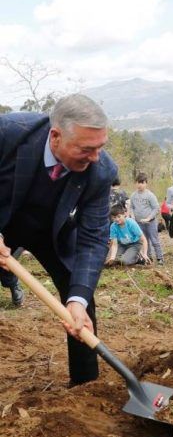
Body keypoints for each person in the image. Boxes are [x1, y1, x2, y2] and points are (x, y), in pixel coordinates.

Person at [0, 94, 117, 386]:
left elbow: (93, 238)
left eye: (100, 147)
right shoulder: (8, 135)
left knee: (79, 294)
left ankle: (85, 386)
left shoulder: (100, 171)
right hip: (5, 217)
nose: (95, 158)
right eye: (86, 149)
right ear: (56, 136)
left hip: (52, 230)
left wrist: (77, 300)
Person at [130, 173, 164, 265]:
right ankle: (148, 257)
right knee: (144, 240)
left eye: (142, 182)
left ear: (146, 183)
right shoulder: (133, 195)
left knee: (154, 240)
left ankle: (160, 258)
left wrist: (149, 218)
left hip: (150, 222)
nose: (140, 185)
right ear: (136, 183)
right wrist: (132, 216)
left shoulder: (150, 195)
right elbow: (131, 207)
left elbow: (156, 208)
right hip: (138, 223)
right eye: (138, 182)